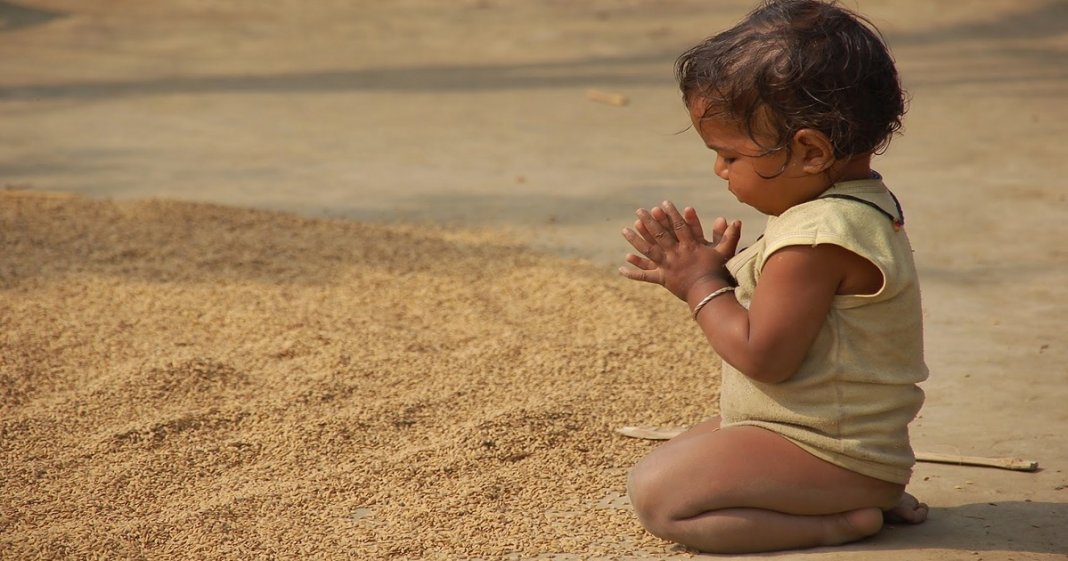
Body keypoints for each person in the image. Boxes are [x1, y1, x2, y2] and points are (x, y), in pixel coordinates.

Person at [618, 0, 930, 553]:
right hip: (836, 439)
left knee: (657, 495)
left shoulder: (815, 240)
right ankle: (860, 490)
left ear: (810, 150)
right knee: (688, 451)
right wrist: (721, 272)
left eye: (729, 156)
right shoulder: (856, 204)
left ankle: (842, 517)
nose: (719, 171)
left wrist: (699, 285)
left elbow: (765, 356)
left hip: (831, 449)